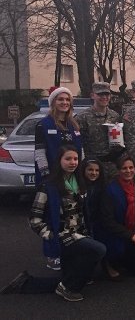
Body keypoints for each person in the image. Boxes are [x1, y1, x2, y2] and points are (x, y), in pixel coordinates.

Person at [1, 145, 106, 301]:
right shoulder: (48, 186)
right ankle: (68, 289)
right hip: (64, 236)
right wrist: (51, 235)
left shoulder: (80, 182)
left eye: (75, 159)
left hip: (81, 234)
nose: (72, 162)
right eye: (68, 159)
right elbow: (34, 219)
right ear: (59, 161)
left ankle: (25, 283)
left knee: (71, 278)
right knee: (99, 250)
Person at [34, 86, 83, 271]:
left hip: (73, 176)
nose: (64, 102)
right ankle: (53, 254)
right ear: (53, 102)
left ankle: (73, 250)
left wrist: (82, 171)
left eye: (67, 99)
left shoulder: (74, 125)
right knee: (52, 215)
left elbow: (80, 151)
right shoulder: (44, 125)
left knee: (72, 214)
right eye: (60, 99)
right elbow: (39, 152)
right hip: (53, 179)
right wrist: (46, 176)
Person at [97, 155, 135, 280]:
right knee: (119, 253)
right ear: (118, 170)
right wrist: (130, 235)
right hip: (114, 233)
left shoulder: (134, 185)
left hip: (131, 229)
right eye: (124, 168)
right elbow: (107, 221)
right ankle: (108, 261)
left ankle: (124, 259)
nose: (128, 171)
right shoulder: (110, 190)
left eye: (131, 167)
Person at [76, 82, 123, 179]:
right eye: (100, 94)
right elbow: (78, 144)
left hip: (112, 167)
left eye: (107, 94)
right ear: (92, 95)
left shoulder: (115, 116)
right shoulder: (82, 117)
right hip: (92, 167)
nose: (104, 97)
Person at [79, 158, 106, 238]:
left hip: (98, 227)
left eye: (97, 170)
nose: (94, 173)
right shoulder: (78, 187)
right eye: (90, 170)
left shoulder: (102, 187)